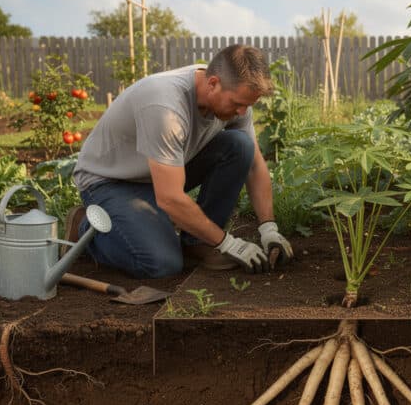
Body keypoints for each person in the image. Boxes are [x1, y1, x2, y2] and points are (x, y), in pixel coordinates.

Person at [68, 44, 294, 278]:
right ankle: (85, 227)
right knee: (162, 263)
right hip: (110, 182)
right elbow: (170, 198)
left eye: (248, 105)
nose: (242, 112)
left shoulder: (234, 102)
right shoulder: (165, 106)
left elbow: (255, 166)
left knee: (240, 146)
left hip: (159, 174)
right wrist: (228, 243)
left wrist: (268, 228)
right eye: (237, 103)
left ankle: (199, 241)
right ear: (213, 83)